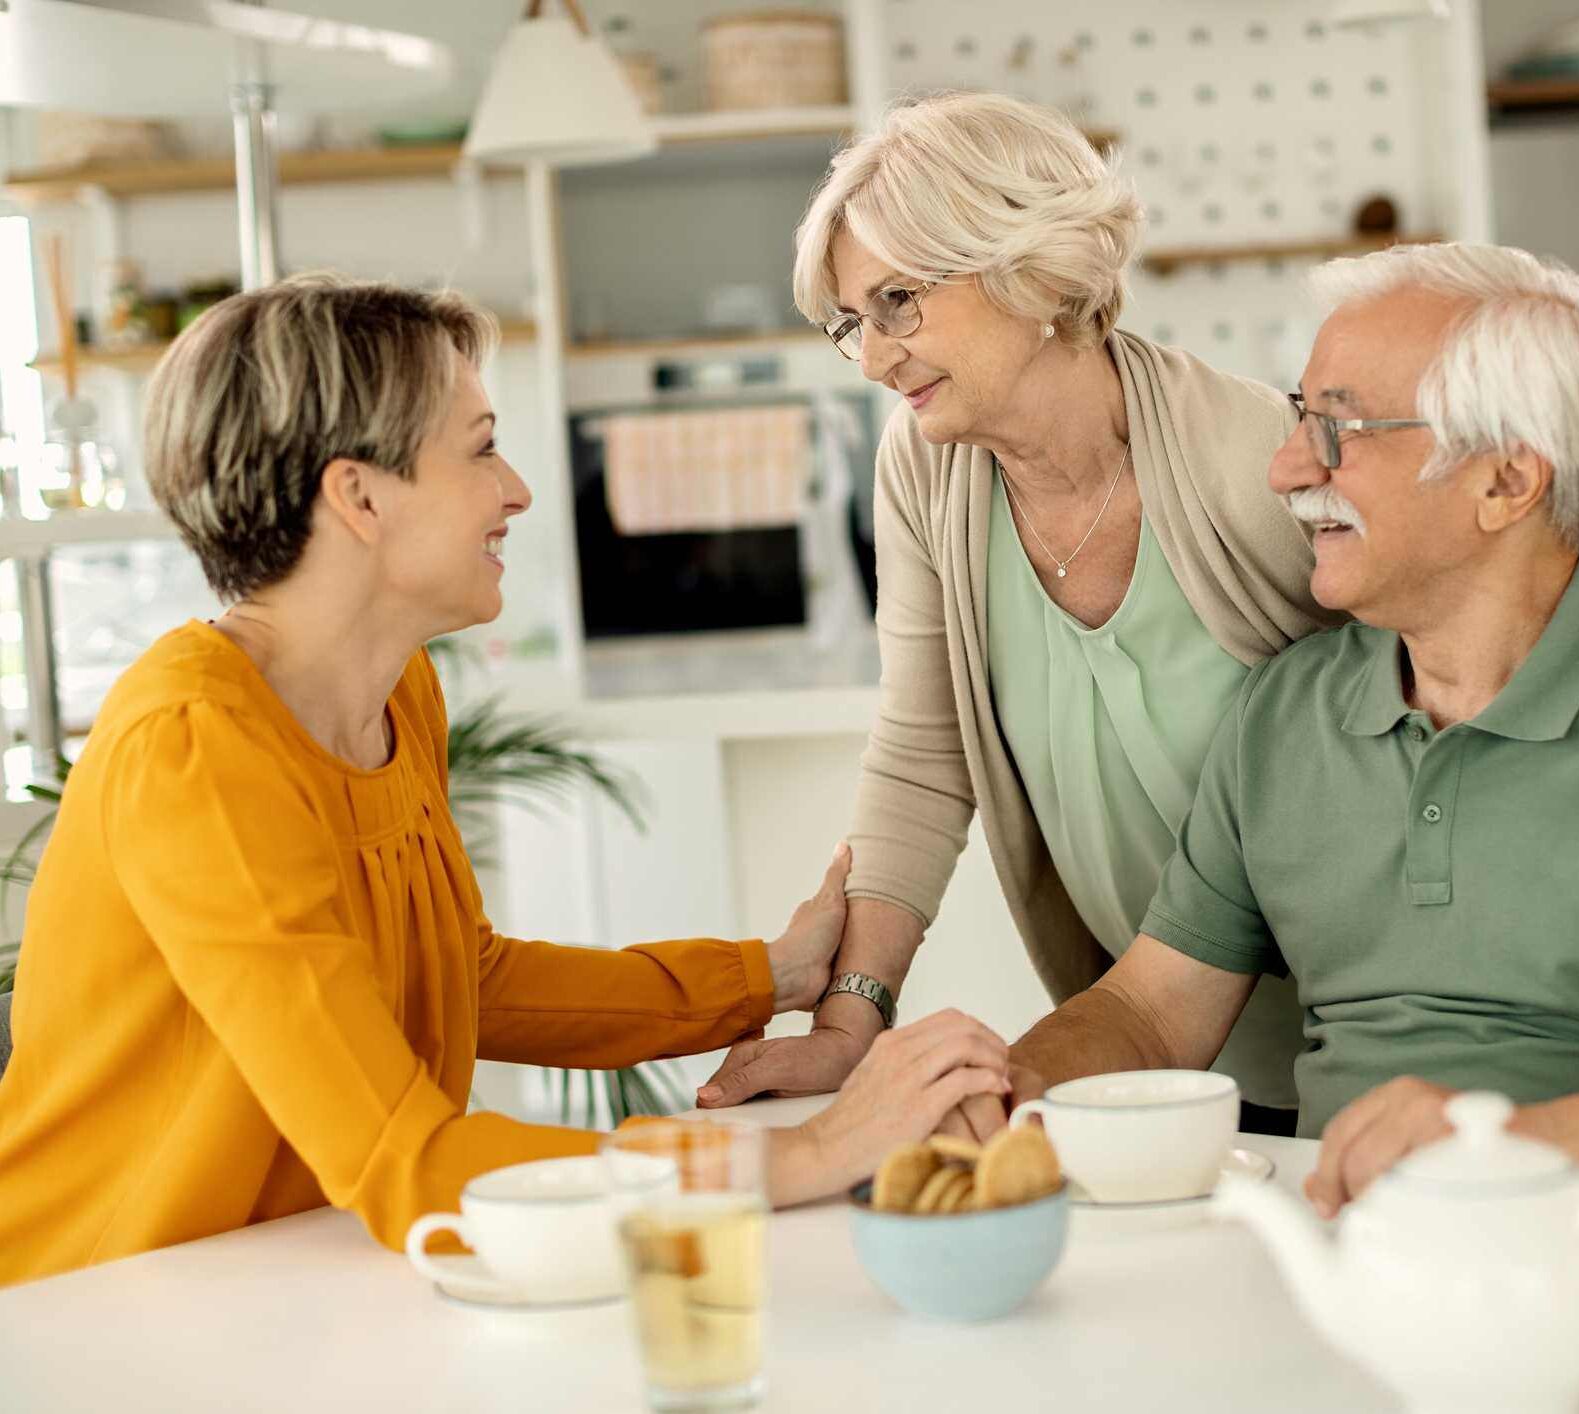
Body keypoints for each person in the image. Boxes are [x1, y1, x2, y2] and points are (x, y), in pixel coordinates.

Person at [699, 93, 1579, 1138]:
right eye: (852, 321)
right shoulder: (928, 468)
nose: (877, 354)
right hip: (1141, 1031)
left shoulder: (1242, 457)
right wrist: (852, 1020)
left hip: (1349, 1041)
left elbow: (1552, 512)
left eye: (900, 299)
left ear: (1027, 268)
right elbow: (922, 749)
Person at [0, 277, 1008, 1286]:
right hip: (95, 1304)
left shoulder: (400, 693)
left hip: (276, 1279)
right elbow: (411, 1162)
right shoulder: (196, 747)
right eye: (480, 448)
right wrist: (812, 1152)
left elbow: (464, 977)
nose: (517, 487)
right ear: (358, 496)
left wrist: (765, 975)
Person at [998, 243, 1579, 1208]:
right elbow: (1150, 1015)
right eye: (1300, 419)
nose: (1288, 468)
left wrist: (1509, 1151)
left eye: (1339, 429)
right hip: (1346, 1259)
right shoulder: (1284, 711)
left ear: (1506, 481)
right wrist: (999, 1089)